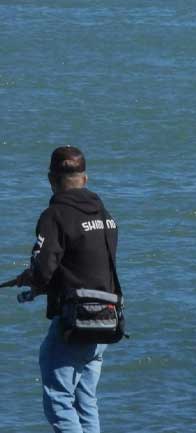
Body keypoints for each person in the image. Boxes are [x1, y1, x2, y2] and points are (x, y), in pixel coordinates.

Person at [14, 146, 120, 433]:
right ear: (85, 179)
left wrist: (32, 282)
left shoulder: (55, 215)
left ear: (51, 179)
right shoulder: (105, 214)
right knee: (86, 400)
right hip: (107, 318)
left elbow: (44, 268)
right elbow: (86, 263)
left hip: (75, 321)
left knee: (59, 398)